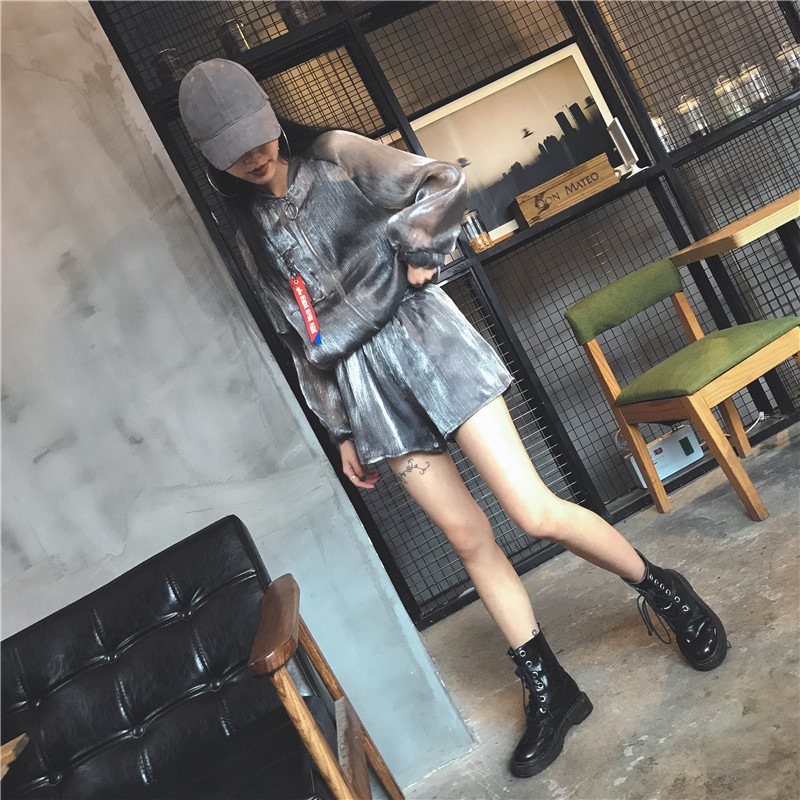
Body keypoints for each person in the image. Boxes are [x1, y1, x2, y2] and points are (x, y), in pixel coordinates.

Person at [179, 59, 728, 779]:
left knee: (532, 512)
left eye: (257, 136)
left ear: (270, 116)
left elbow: (442, 180)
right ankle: (552, 688)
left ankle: (664, 590)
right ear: (210, 159)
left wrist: (419, 249)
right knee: (468, 538)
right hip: (367, 388)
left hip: (430, 344)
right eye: (233, 152)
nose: (254, 157)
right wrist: (340, 427)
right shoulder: (248, 233)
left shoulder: (336, 155)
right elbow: (300, 340)